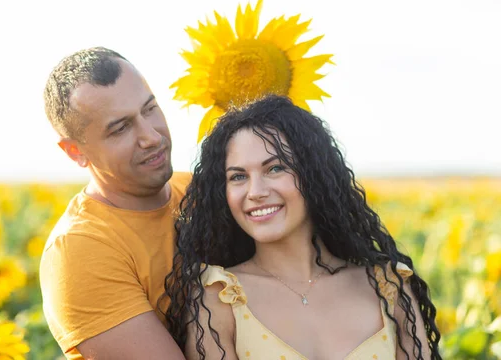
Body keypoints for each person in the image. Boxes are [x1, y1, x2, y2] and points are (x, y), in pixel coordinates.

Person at [164, 95, 441, 359]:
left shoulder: (388, 288)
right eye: (238, 176)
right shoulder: (220, 298)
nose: (256, 191)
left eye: (275, 168)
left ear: (314, 175)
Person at [40, 46, 189, 360]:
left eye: (150, 109)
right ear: (75, 152)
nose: (150, 136)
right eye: (121, 128)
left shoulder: (200, 189)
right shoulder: (81, 249)